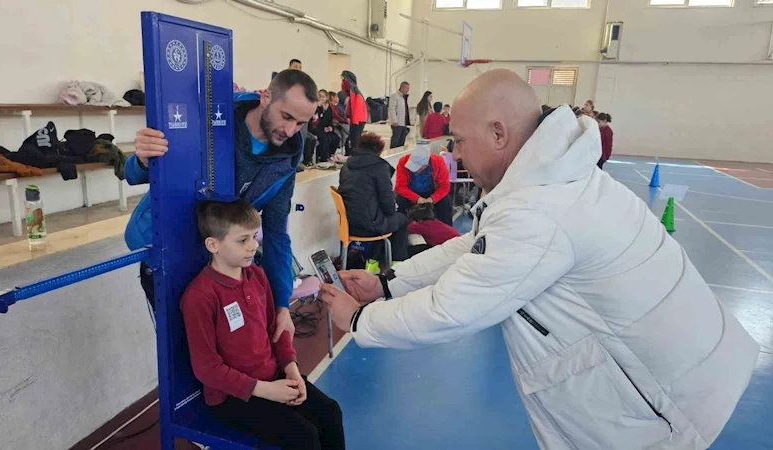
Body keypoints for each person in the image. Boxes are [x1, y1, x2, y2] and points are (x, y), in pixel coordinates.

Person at [320, 69, 758, 450]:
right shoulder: (555, 177)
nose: (455, 155)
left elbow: (451, 309)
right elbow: (480, 246)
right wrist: (389, 282)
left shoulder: (538, 210)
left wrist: (360, 320)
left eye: (459, 141)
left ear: (498, 133)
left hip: (660, 404)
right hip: (677, 376)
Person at [126, 69, 320, 342]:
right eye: (286, 116)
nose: (290, 130)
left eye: (300, 123)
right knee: (180, 348)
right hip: (168, 250)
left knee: (225, 347)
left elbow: (277, 233)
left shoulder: (287, 157)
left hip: (218, 261)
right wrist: (143, 158)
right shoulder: (212, 118)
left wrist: (281, 305)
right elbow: (134, 174)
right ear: (265, 97)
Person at [181, 199, 344, 450]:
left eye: (254, 237)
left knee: (330, 412)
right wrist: (265, 390)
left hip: (273, 376)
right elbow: (207, 369)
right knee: (304, 436)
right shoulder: (199, 297)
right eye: (242, 240)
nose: (253, 246)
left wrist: (290, 368)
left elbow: (274, 331)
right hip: (231, 397)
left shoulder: (257, 276)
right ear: (213, 245)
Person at [338, 132, 408, 262]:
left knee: (384, 218)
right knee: (401, 219)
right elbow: (387, 203)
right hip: (369, 226)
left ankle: (377, 260)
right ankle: (397, 264)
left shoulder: (346, 165)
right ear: (379, 150)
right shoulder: (379, 166)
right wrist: (393, 208)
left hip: (349, 225)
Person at [394, 145, 453, 226]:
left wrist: (432, 199)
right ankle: (400, 229)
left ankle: (447, 230)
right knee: (399, 200)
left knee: (445, 202)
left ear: (425, 166)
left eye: (415, 168)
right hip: (410, 192)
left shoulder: (438, 162)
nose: (412, 169)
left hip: (431, 191)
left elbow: (445, 186)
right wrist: (416, 198)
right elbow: (400, 187)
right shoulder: (403, 161)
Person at [309, 89, 339, 163]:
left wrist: (330, 127)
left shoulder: (327, 108)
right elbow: (315, 122)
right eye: (320, 96)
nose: (321, 98)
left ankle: (330, 155)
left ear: (326, 98)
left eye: (323, 96)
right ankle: (324, 158)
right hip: (314, 129)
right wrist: (323, 128)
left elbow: (329, 121)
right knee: (324, 137)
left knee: (336, 138)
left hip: (323, 128)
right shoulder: (315, 107)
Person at [341, 70, 367, 151]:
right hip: (356, 119)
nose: (342, 82)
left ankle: (355, 158)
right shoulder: (353, 92)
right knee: (353, 141)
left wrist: (354, 121)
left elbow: (357, 109)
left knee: (355, 142)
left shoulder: (355, 93)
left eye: (343, 80)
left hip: (358, 120)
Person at [388, 81, 411, 149]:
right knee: (395, 141)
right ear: (403, 87)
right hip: (397, 123)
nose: (408, 90)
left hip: (403, 123)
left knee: (401, 143)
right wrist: (394, 121)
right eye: (407, 88)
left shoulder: (404, 97)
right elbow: (392, 109)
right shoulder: (394, 96)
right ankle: (392, 155)